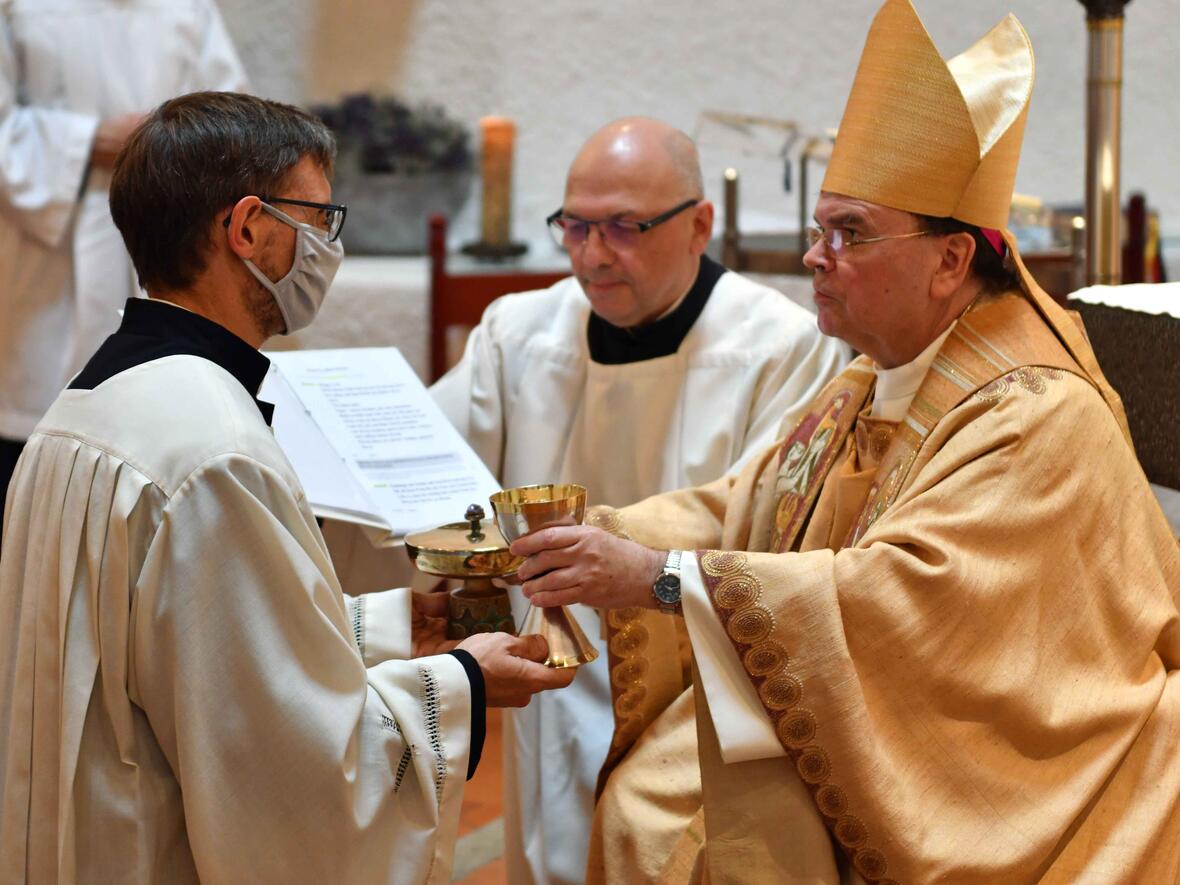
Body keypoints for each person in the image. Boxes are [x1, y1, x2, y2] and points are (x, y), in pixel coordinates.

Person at [511, 2, 1180, 882]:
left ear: (950, 260)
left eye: (851, 233)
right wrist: (600, 535)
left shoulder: (1035, 413)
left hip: (1010, 761)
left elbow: (908, 602)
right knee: (653, 804)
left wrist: (657, 578)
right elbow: (742, 506)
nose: (815, 257)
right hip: (880, 712)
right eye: (819, 229)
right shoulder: (868, 377)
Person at [0, 91, 573, 884]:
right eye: (317, 219)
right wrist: (466, 680)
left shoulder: (86, 404)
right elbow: (290, 762)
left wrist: (391, 623)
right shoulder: (214, 448)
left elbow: (194, 641)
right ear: (247, 229)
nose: (325, 247)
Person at [432, 117, 848, 884]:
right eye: (576, 226)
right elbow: (430, 470)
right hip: (548, 676)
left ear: (699, 226)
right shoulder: (520, 332)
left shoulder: (785, 348)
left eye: (624, 227)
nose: (593, 253)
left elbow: (765, 534)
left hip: (696, 692)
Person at [0, 0, 247, 538]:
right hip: (45, 263)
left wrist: (168, 145)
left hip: (168, 233)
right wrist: (88, 141)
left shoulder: (187, 8)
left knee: (161, 443)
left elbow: (232, 118)